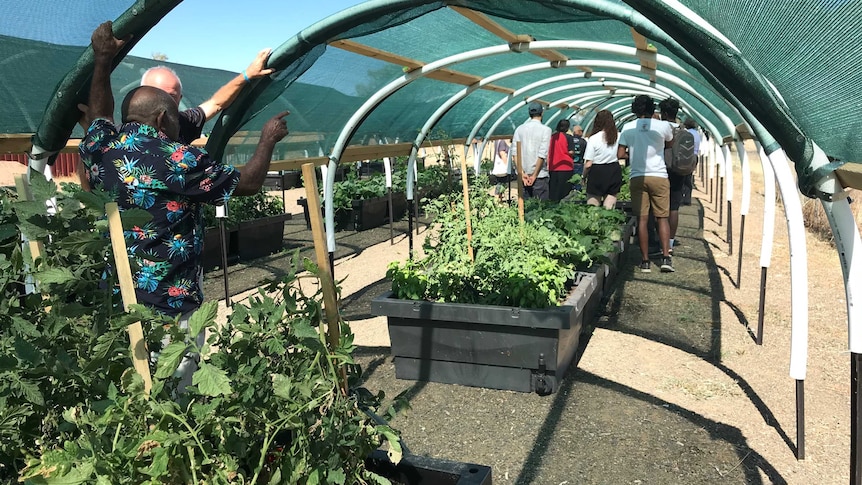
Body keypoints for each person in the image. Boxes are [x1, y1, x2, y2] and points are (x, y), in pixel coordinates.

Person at [79, 21, 290, 389]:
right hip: (170, 303)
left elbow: (99, 112)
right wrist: (267, 139)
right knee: (175, 391)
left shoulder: (102, 147)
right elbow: (251, 183)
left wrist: (102, 58)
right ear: (163, 118)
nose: (183, 123)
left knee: (130, 387)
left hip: (119, 299)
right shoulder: (178, 159)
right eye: (176, 115)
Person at [140, 49, 274, 145]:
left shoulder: (183, 122)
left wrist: (248, 74)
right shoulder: (123, 134)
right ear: (141, 94)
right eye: (158, 94)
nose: (164, 102)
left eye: (171, 96)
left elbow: (216, 103)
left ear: (179, 99)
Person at [617, 94, 674, 273]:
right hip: (658, 175)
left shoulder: (627, 128)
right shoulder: (662, 126)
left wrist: (633, 155)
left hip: (637, 176)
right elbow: (669, 143)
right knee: (662, 217)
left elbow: (619, 154)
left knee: (642, 219)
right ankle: (666, 257)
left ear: (634, 109)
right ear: (653, 109)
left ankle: (645, 261)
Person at [659, 98, 684, 252]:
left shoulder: (661, 128)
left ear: (664, 113)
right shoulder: (683, 130)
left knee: (659, 209)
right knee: (674, 208)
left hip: (661, 170)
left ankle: (659, 240)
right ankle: (670, 242)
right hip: (678, 171)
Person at [512, 101, 551, 200]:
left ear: (529, 114)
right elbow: (542, 154)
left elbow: (515, 153)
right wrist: (534, 175)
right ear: (542, 113)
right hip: (540, 176)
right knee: (541, 209)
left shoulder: (519, 129)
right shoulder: (546, 130)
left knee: (526, 208)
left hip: (523, 177)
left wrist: (522, 173)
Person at [583, 110, 621, 209]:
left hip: (597, 172)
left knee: (593, 207)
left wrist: (583, 177)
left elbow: (588, 164)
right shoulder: (618, 136)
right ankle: (609, 222)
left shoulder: (593, 138)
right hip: (614, 170)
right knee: (609, 207)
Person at [547, 119, 575, 201]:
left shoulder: (552, 137)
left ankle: (552, 206)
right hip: (566, 166)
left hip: (553, 166)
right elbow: (571, 151)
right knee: (565, 191)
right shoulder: (569, 137)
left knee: (554, 190)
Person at [682, 117, 701, 205]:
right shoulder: (697, 133)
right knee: (689, 177)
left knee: (683, 177)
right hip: (695, 157)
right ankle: (687, 198)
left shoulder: (687, 133)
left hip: (687, 156)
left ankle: (683, 197)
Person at [571, 124, 587, 192]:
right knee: (578, 182)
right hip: (579, 164)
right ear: (579, 131)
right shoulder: (583, 141)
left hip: (570, 164)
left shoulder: (569, 140)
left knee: (571, 182)